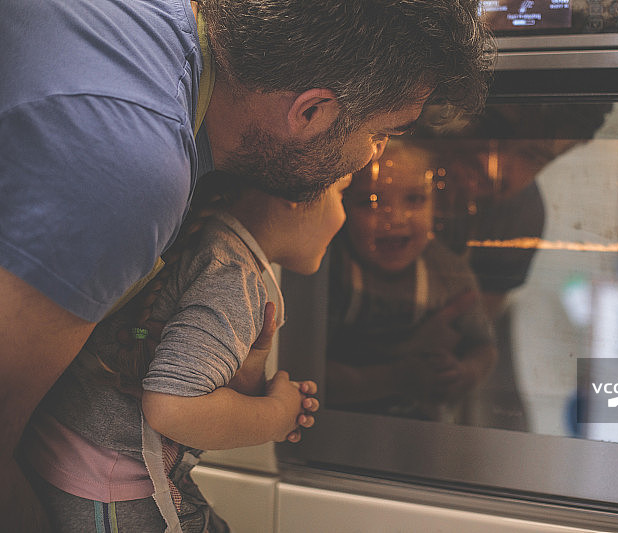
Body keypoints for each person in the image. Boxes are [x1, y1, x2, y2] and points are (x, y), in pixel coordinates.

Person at [1, 0, 493, 528]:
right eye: (384, 133)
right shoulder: (130, 171)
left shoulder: (160, 32)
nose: (373, 157)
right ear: (312, 112)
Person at [20, 170, 355, 532]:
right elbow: (171, 409)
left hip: (64, 465)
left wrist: (251, 367)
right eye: (343, 193)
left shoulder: (202, 237)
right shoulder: (232, 274)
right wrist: (277, 415)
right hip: (115, 496)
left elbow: (155, 351)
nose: (345, 214)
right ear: (298, 191)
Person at [326, 141, 497, 423]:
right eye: (371, 201)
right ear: (342, 207)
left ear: (436, 206)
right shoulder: (336, 269)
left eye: (415, 199)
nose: (395, 218)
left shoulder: (447, 271)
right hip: (338, 426)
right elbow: (311, 371)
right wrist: (396, 378)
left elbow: (483, 346)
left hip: (420, 430)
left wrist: (465, 373)